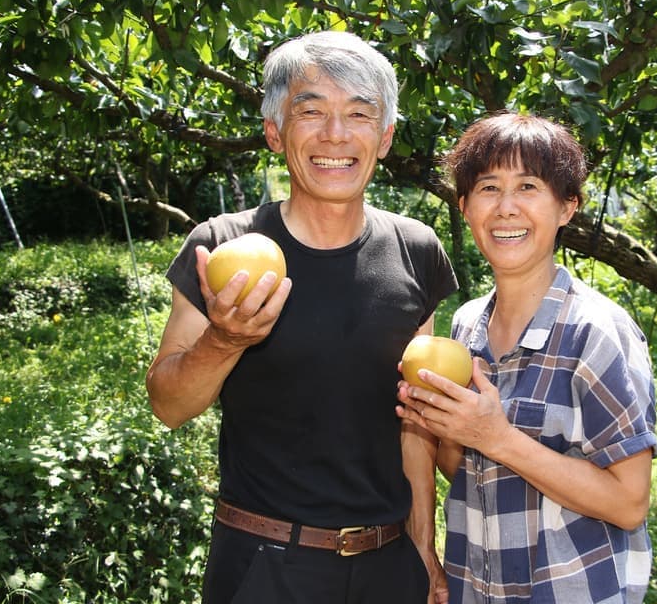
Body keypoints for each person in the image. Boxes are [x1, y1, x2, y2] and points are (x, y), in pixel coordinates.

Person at [146, 30, 456, 604]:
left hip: (388, 566)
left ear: (384, 137)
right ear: (274, 132)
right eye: (311, 111)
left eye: (359, 114)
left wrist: (423, 549)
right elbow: (168, 406)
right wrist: (224, 340)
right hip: (266, 565)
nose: (335, 134)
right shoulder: (223, 246)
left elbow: (413, 421)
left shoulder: (416, 250)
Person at [397, 112, 657, 603]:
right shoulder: (466, 329)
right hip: (476, 587)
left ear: (567, 208)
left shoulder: (596, 332)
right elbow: (475, 475)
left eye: (529, 187)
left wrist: (498, 437)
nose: (507, 208)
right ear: (466, 207)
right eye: (489, 188)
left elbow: (629, 502)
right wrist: (439, 424)